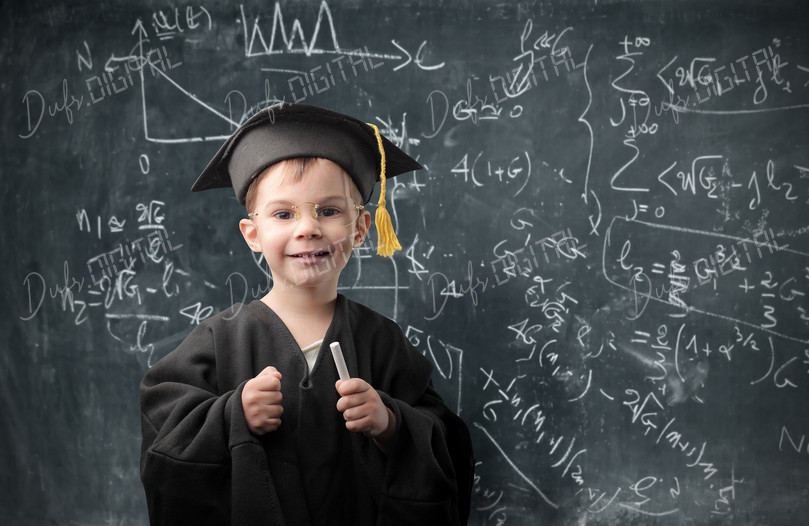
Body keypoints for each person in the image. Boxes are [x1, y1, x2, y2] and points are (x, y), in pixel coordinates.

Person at [139, 102, 474, 526]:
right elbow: (166, 442)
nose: (308, 228)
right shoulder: (218, 342)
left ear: (360, 228)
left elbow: (447, 448)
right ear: (253, 234)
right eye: (283, 214)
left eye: (329, 211)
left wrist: (390, 424)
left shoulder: (382, 341)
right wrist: (233, 416)